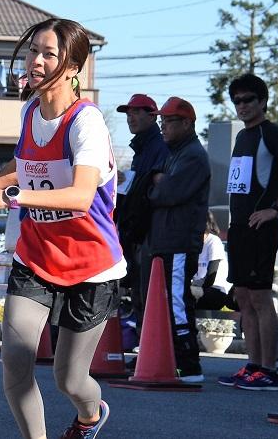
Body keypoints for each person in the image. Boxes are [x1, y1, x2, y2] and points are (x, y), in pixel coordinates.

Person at [0, 18, 126, 439]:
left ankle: (89, 415)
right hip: (35, 258)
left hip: (91, 267)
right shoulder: (29, 110)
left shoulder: (86, 123)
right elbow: (25, 167)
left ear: (73, 68)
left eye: (49, 53)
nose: (36, 60)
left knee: (70, 379)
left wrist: (10, 197)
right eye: (34, 50)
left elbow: (80, 195)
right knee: (14, 364)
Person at [218, 73, 278, 391]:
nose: (242, 106)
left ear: (262, 102)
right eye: (237, 101)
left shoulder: (270, 133)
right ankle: (253, 366)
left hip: (261, 228)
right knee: (242, 296)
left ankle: (269, 370)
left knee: (259, 296)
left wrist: (276, 209)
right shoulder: (243, 137)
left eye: (248, 100)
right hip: (240, 228)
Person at [147, 97, 210, 383]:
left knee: (176, 301)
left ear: (187, 123)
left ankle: (188, 364)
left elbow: (165, 193)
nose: (163, 128)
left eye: (168, 122)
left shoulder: (193, 155)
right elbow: (156, 187)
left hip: (180, 240)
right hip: (167, 239)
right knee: (168, 300)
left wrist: (160, 183)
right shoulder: (176, 152)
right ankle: (172, 359)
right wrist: (158, 182)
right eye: (161, 122)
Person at [114, 93, 169, 363]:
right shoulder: (142, 148)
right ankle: (146, 352)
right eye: (128, 113)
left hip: (152, 233)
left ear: (153, 116)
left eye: (137, 112)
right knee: (139, 295)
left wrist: (132, 184)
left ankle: (156, 355)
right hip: (138, 233)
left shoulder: (158, 146)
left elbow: (155, 190)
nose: (131, 118)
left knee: (150, 296)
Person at [191, 211, 230, 310]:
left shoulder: (214, 241)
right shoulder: (193, 244)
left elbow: (211, 277)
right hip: (198, 287)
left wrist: (196, 285)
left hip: (215, 290)